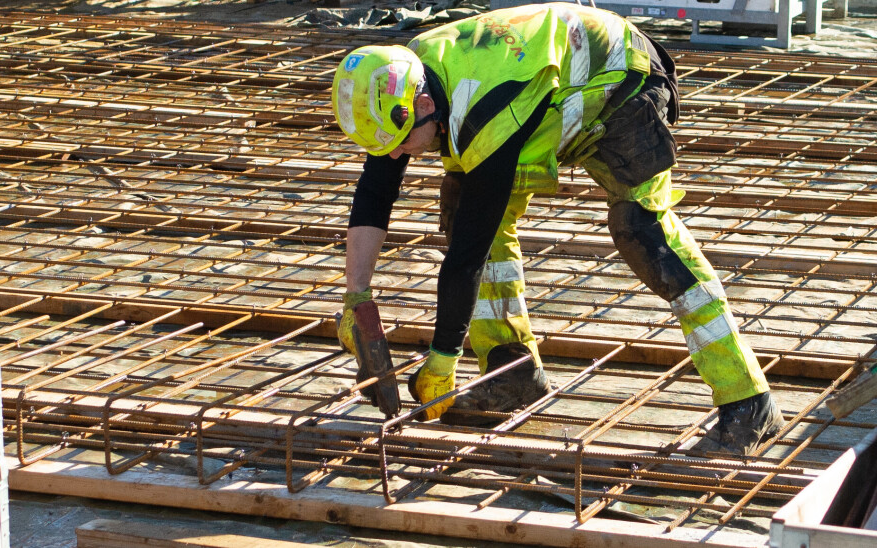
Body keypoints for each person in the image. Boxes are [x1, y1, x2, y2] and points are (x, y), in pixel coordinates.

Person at [332, 2, 783, 455]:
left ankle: (749, 401)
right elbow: (376, 190)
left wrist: (443, 356)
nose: (396, 156)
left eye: (402, 143)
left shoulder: (487, 106)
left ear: (426, 104)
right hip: (548, 91)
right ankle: (512, 374)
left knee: (644, 234)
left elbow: (468, 252)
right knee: (461, 203)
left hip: (619, 81)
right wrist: (357, 296)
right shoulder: (398, 82)